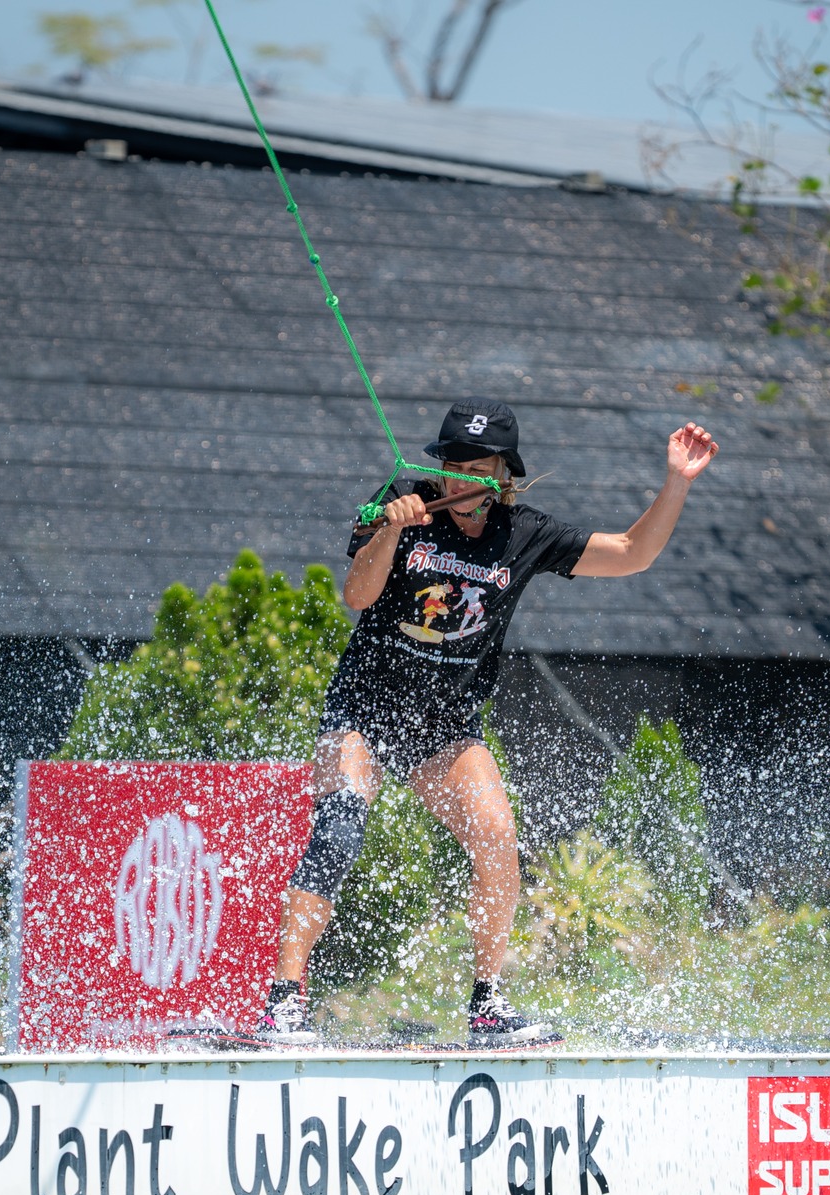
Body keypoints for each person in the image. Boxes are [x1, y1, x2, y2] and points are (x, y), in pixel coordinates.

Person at [262, 397, 718, 1046]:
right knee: (338, 827)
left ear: (504, 476)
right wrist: (391, 531)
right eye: (451, 466)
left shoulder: (523, 533)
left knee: (498, 836)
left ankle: (485, 1006)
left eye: (477, 470)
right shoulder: (402, 502)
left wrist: (676, 481)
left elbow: (630, 552)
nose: (459, 481)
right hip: (363, 711)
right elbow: (357, 595)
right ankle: (284, 1000)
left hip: (444, 730)